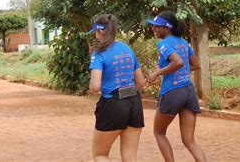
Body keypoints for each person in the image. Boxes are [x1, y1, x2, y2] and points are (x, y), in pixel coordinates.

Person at [146, 11, 207, 162]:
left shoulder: (163, 44)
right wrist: (181, 70)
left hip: (172, 92)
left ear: (167, 28)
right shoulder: (183, 42)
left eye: (156, 26)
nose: (153, 29)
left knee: (159, 132)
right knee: (189, 141)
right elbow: (195, 65)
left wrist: (157, 73)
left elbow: (178, 62)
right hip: (188, 91)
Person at [88, 14, 146, 162]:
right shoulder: (126, 49)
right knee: (130, 157)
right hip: (134, 103)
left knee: (100, 155)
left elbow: (95, 87)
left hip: (113, 104)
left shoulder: (99, 53)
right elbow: (140, 82)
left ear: (100, 31)